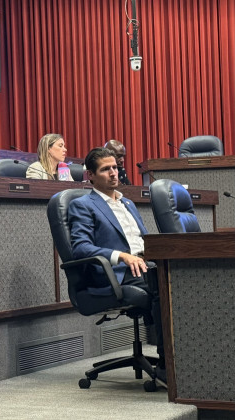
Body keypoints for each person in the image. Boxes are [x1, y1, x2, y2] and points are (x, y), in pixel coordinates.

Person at [68, 147, 165, 383]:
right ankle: (166, 364)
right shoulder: (83, 205)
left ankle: (184, 356)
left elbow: (143, 239)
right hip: (115, 273)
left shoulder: (128, 204)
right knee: (164, 289)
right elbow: (80, 247)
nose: (113, 173)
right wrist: (122, 256)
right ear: (90, 174)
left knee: (181, 279)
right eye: (105, 169)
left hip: (143, 265)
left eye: (115, 167)